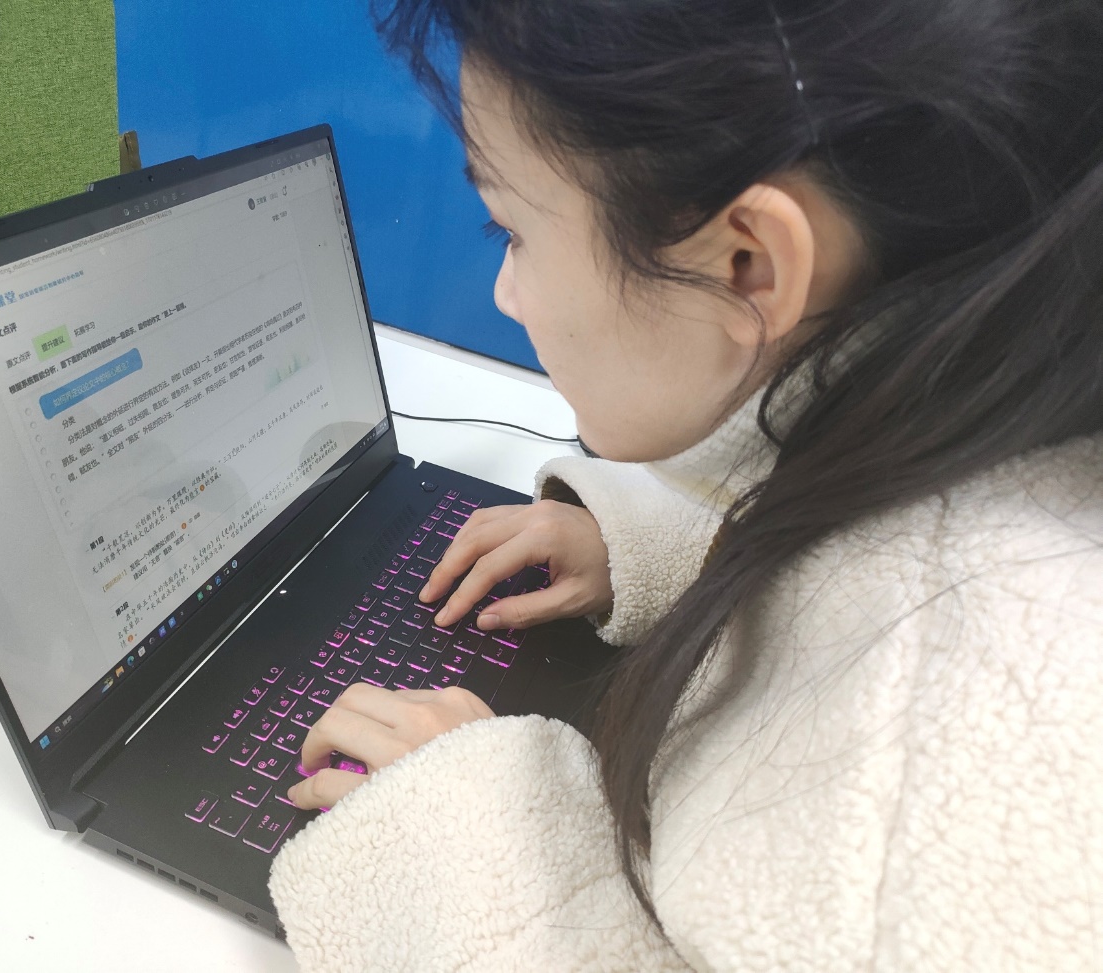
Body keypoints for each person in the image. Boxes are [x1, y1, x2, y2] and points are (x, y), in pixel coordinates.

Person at [268, 0, 1103, 969]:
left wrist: (480, 833)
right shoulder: (1002, 376)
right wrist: (666, 544)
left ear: (749, 265)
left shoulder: (924, 808)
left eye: (512, 232)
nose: (504, 292)